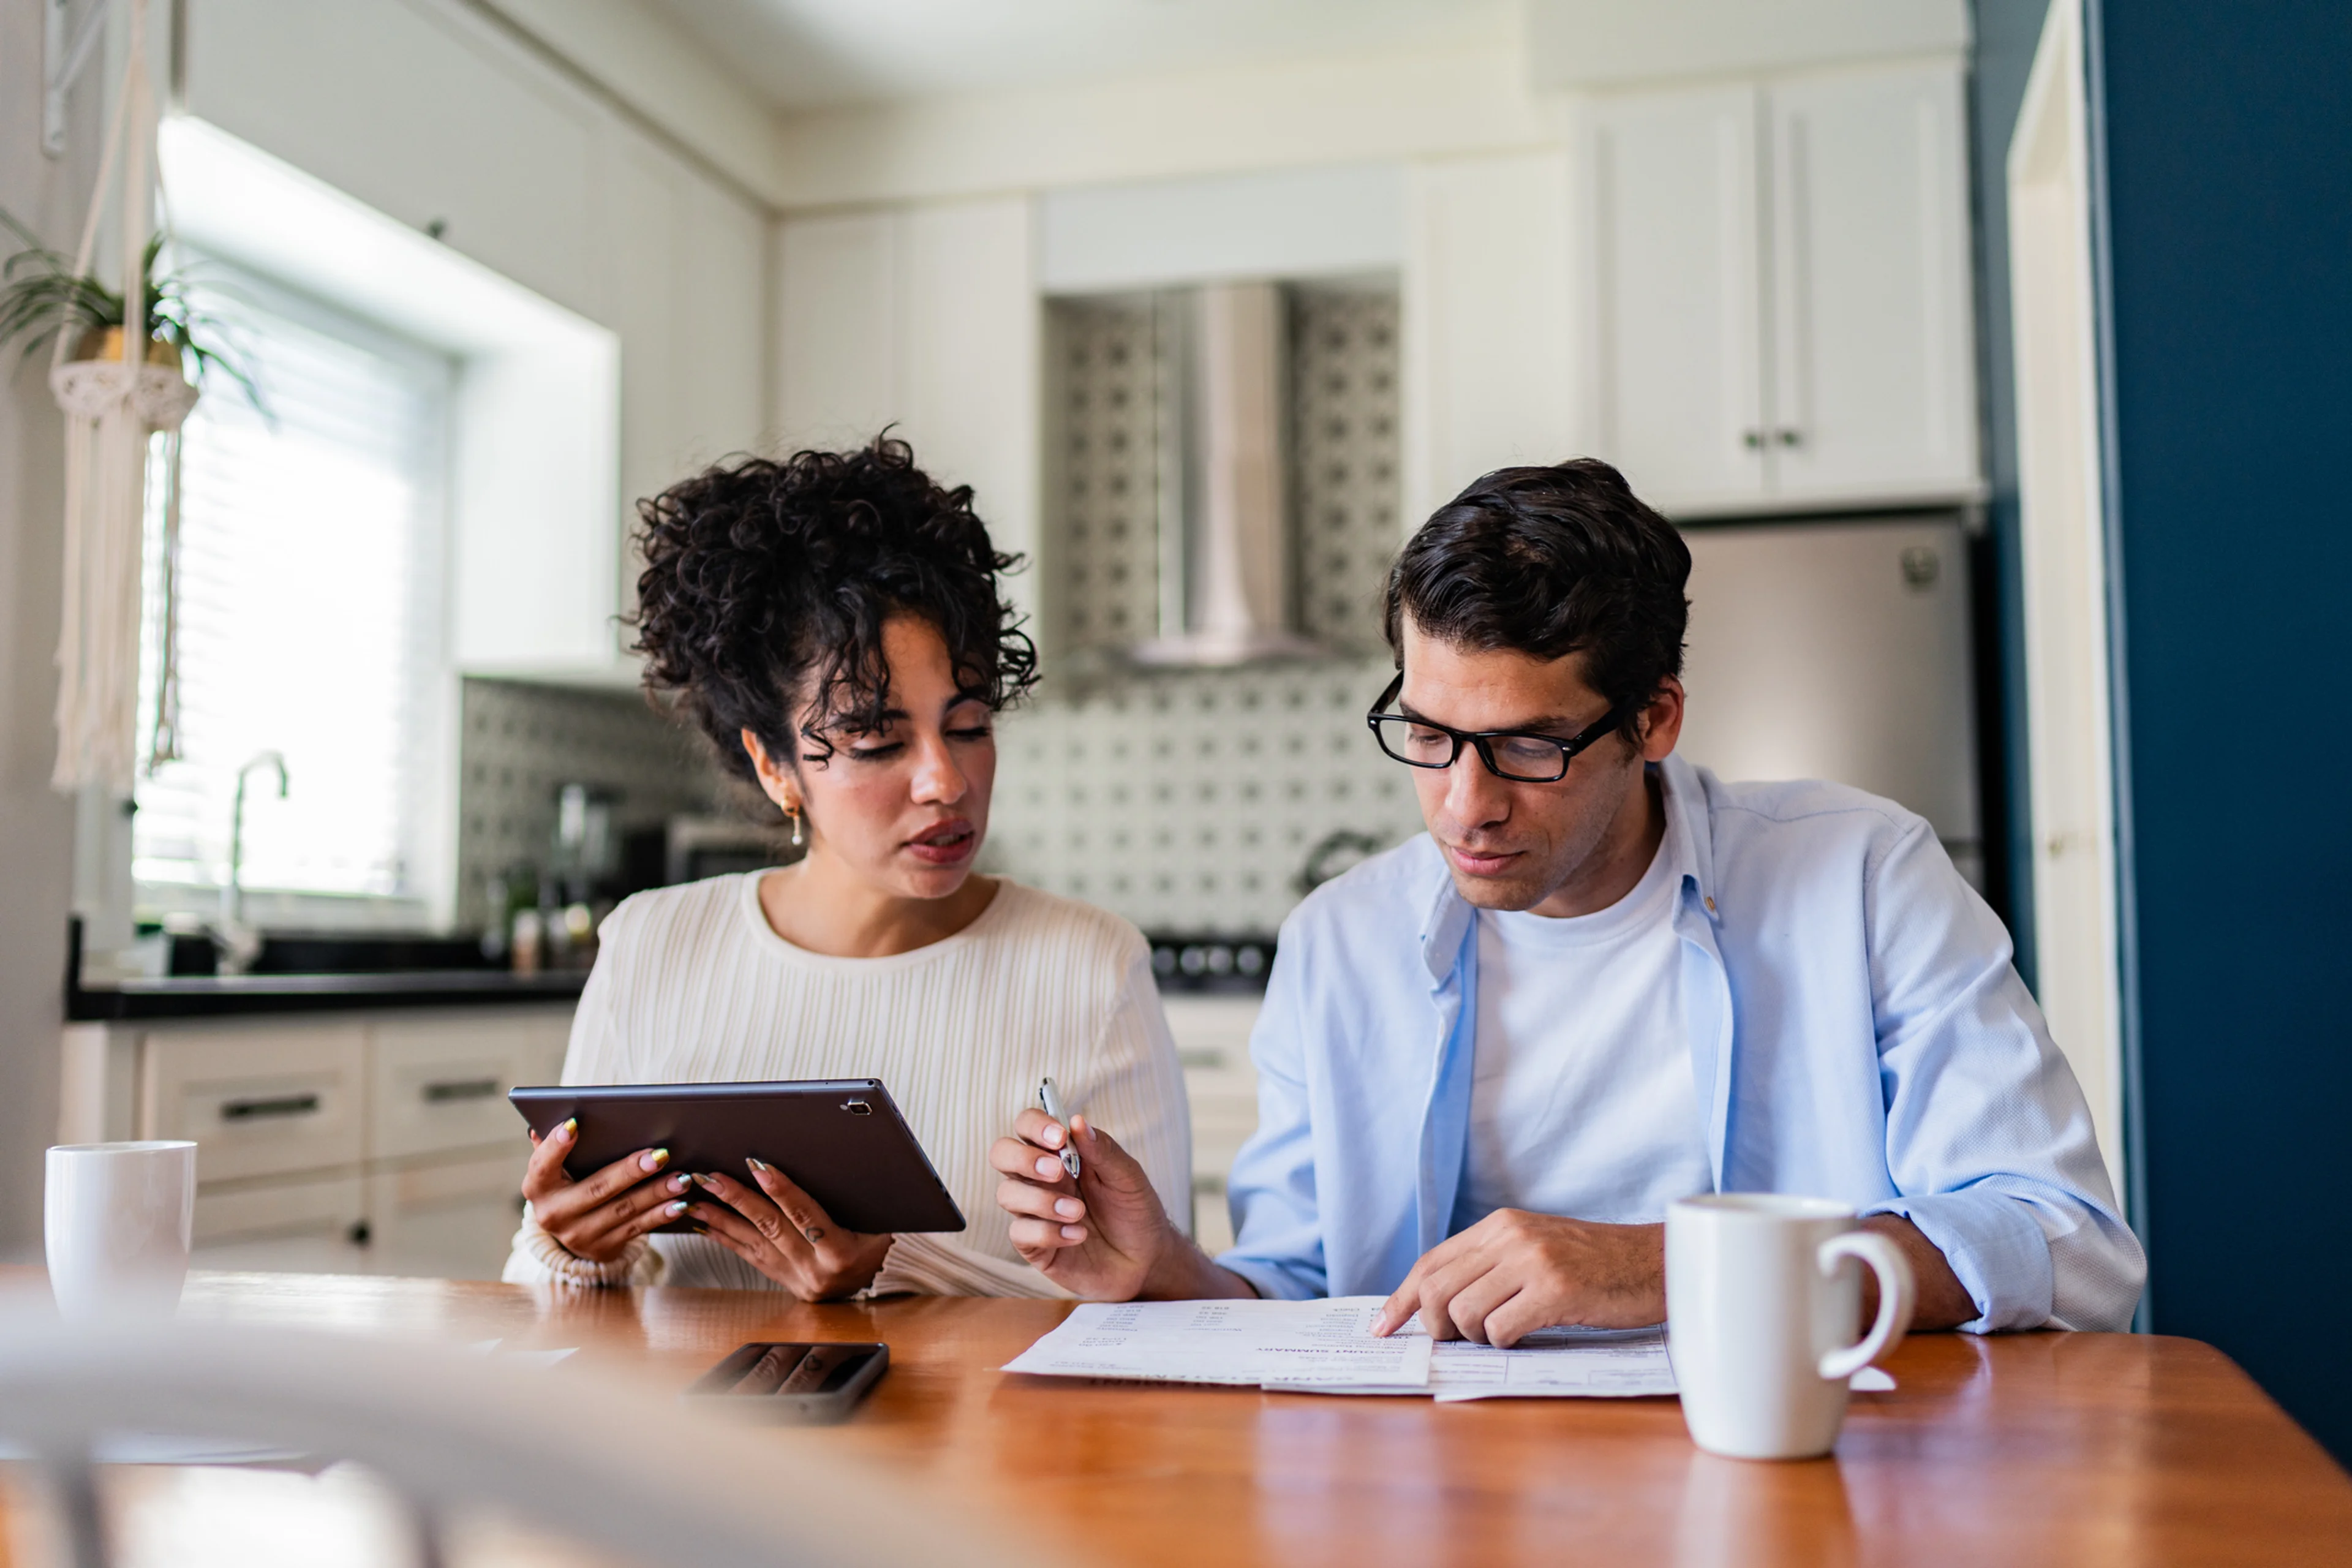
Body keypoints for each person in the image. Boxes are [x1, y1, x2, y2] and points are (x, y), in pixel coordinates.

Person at [995, 458, 2144, 1341]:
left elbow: (2066, 1244)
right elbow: (1304, 1292)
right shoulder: (1340, 942)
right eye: (1431, 738)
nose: (1464, 805)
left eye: (1528, 747)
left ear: (1654, 721)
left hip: (1797, 1468)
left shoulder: (1863, 877)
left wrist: (1663, 1265)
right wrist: (1160, 1269)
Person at [506, 437, 1190, 1297]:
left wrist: (898, 1272)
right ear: (773, 764)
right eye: (877, 741)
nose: (947, 780)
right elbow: (546, 1322)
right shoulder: (651, 942)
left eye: (970, 725)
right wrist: (570, 1253)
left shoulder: (1089, 964)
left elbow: (1162, 1312)